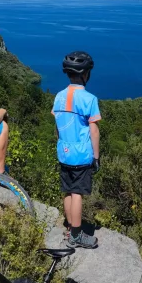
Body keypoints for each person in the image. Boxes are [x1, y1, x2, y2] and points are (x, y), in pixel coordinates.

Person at [52, 51, 101, 249]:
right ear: (86, 74)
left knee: (67, 190)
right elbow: (94, 131)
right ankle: (76, 235)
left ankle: (69, 226)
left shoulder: (59, 97)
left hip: (64, 151)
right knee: (77, 193)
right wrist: (96, 156)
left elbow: (57, 125)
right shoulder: (89, 99)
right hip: (81, 154)